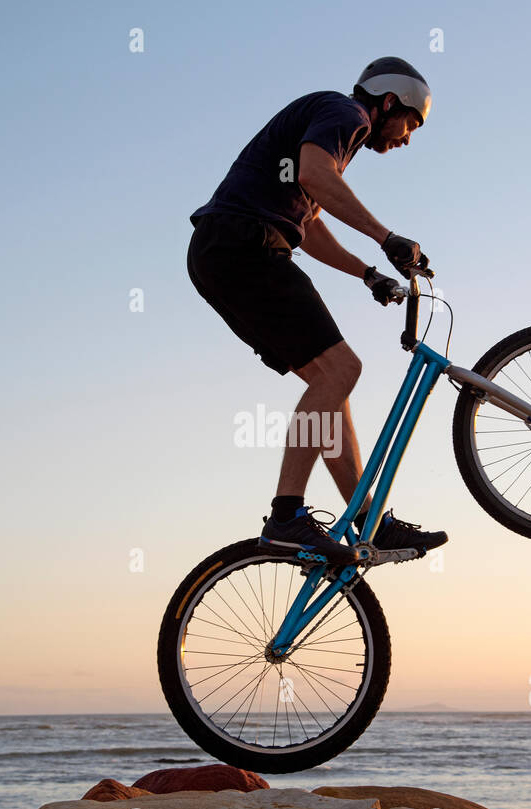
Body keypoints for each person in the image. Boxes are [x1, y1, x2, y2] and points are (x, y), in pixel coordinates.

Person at [187, 56, 449, 566]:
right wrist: (386, 237)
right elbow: (315, 173)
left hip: (234, 250)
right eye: (412, 124)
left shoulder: (332, 136)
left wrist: (367, 273)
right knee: (342, 371)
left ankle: (367, 518)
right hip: (243, 246)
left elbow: (311, 223)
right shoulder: (345, 113)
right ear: (389, 102)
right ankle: (287, 515)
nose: (407, 139)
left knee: (332, 383)